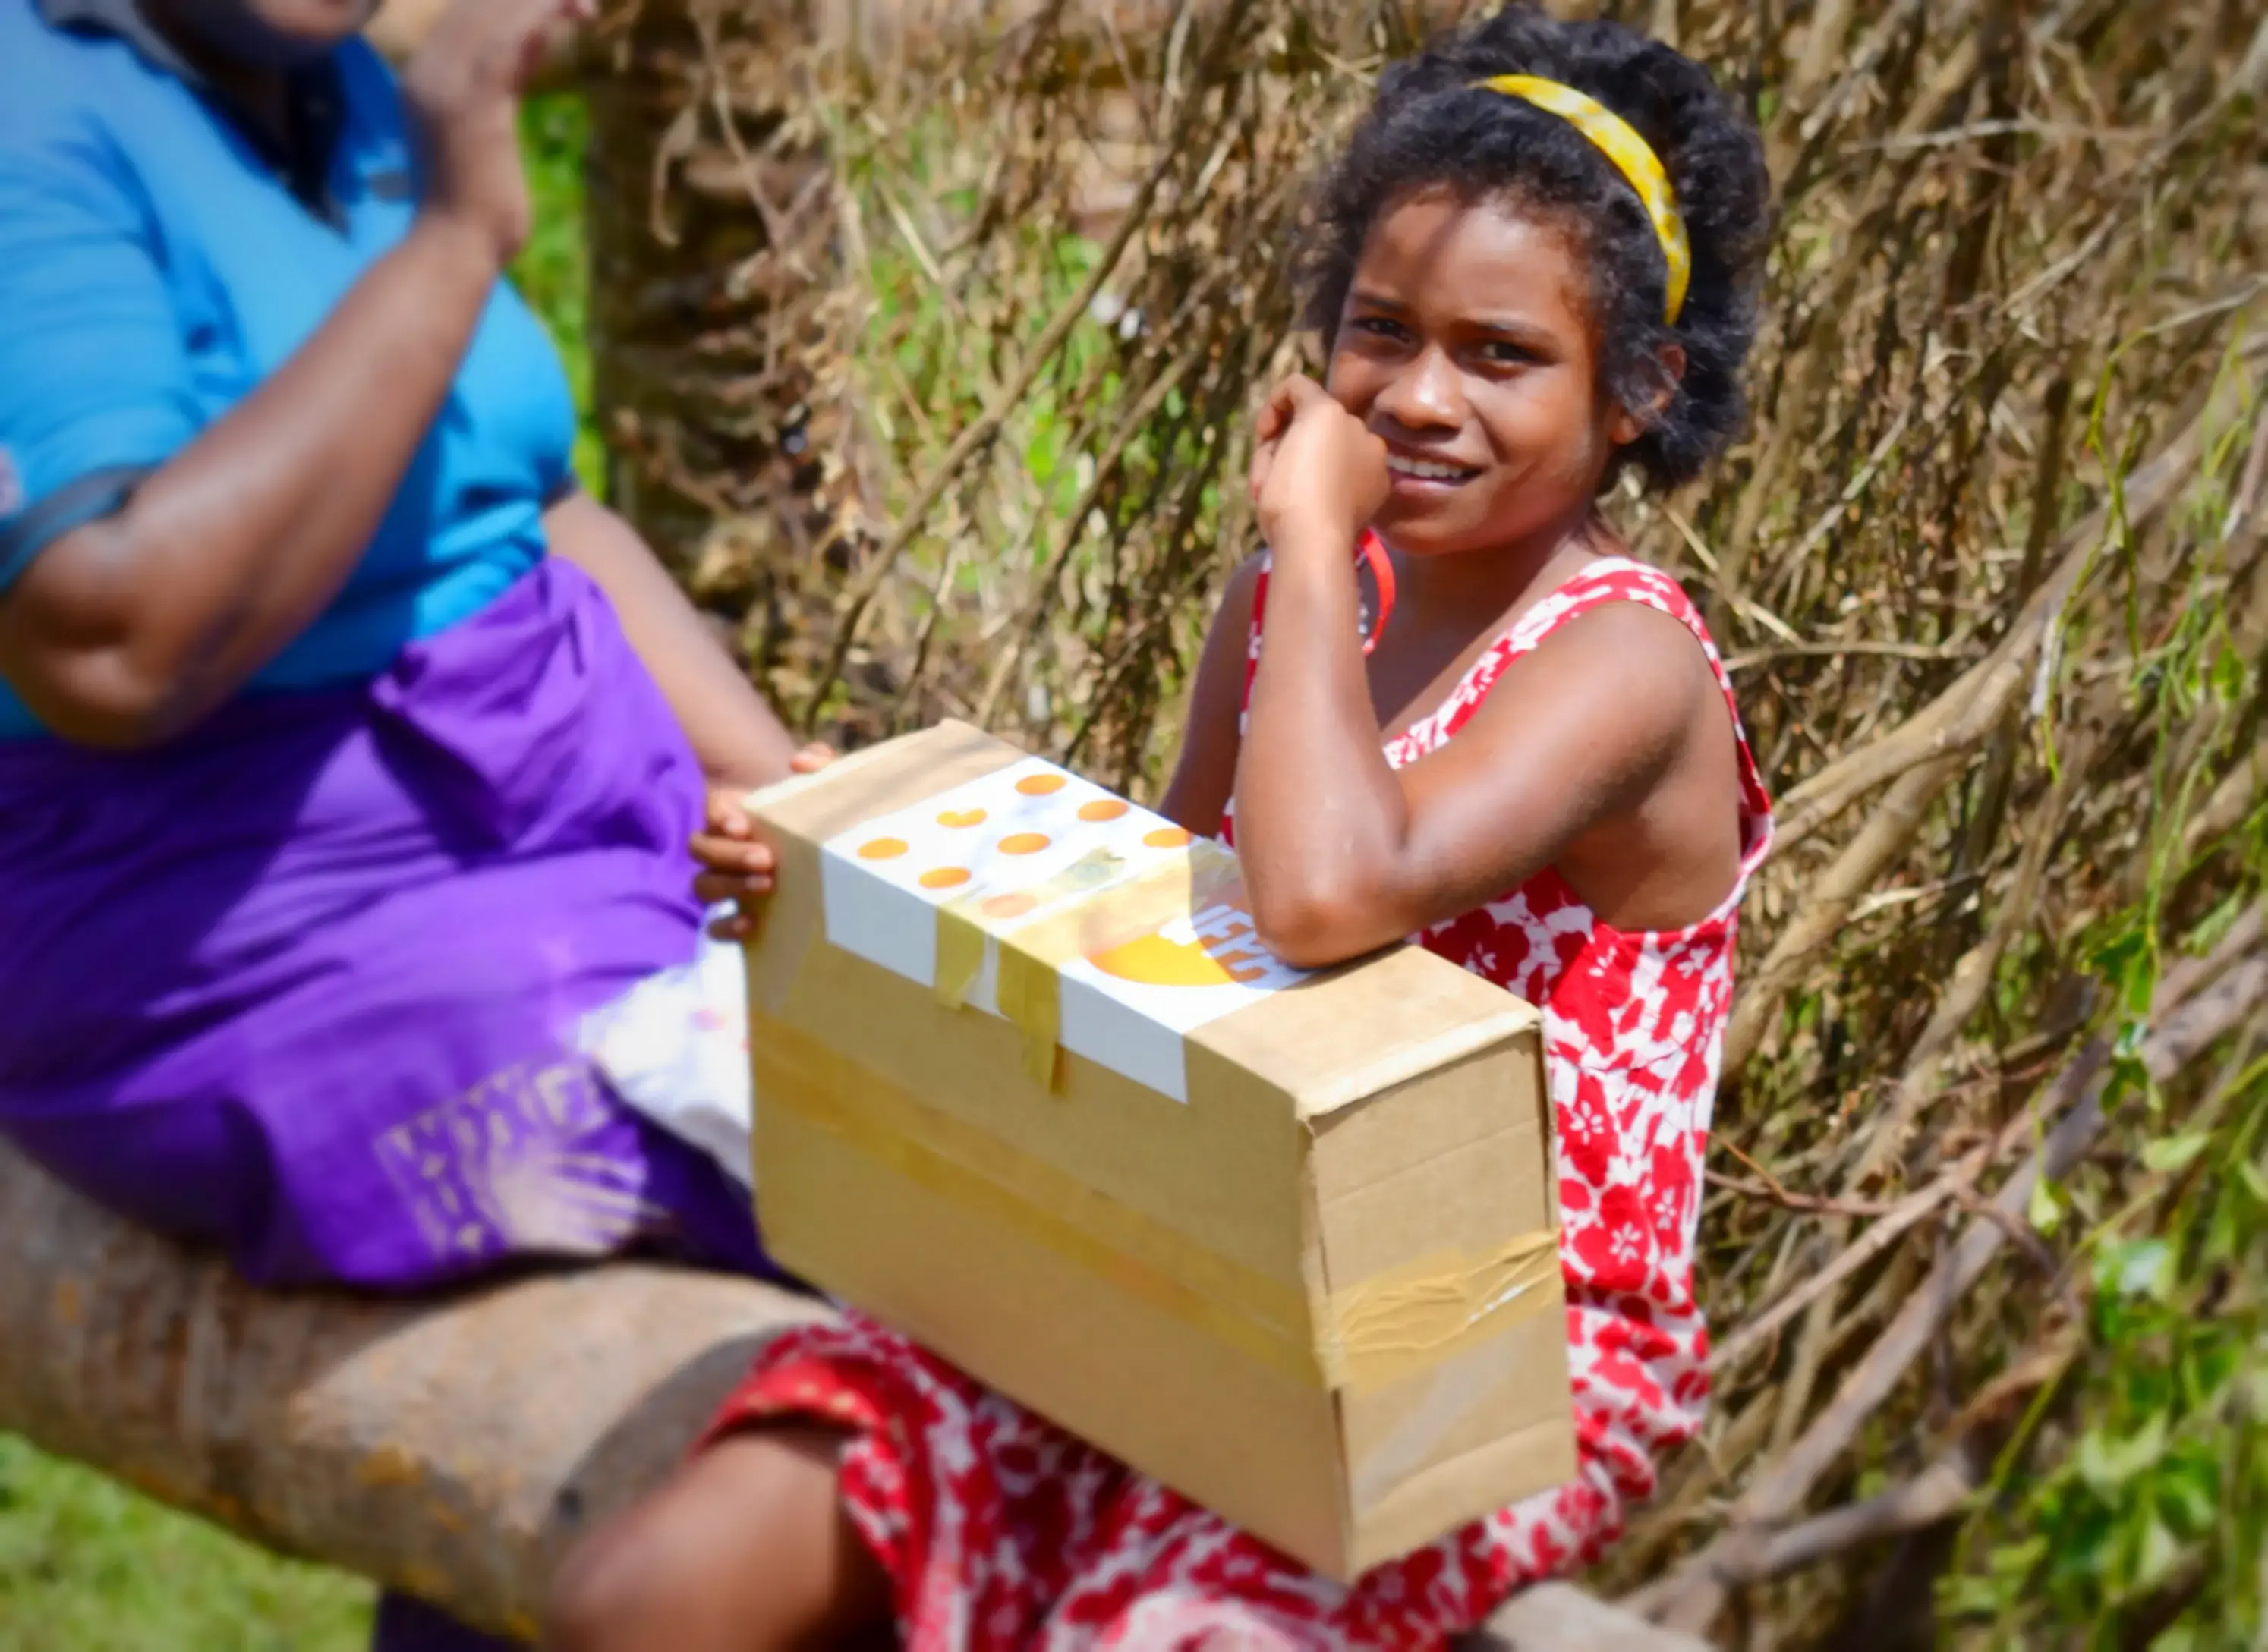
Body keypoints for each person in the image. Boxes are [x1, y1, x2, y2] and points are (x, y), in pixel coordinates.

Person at [544, 5, 1776, 1648]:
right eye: (1379, 330)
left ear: (1639, 388)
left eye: (1500, 354)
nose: (1415, 396)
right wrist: (839, 872)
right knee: (664, 1581)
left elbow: (1333, 892)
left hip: (1494, 1322)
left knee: (1161, 1622)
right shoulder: (1291, 585)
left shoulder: (1626, 659)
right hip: (1199, 1229)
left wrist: (1320, 547)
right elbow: (1166, 931)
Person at [0, 0, 821, 1646]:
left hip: (545, 848)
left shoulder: (339, 83)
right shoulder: (37, 118)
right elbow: (105, 636)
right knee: (847, 1205)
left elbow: (525, 502)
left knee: (929, 1111)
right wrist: (454, 237)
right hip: (238, 914)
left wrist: (787, 787)